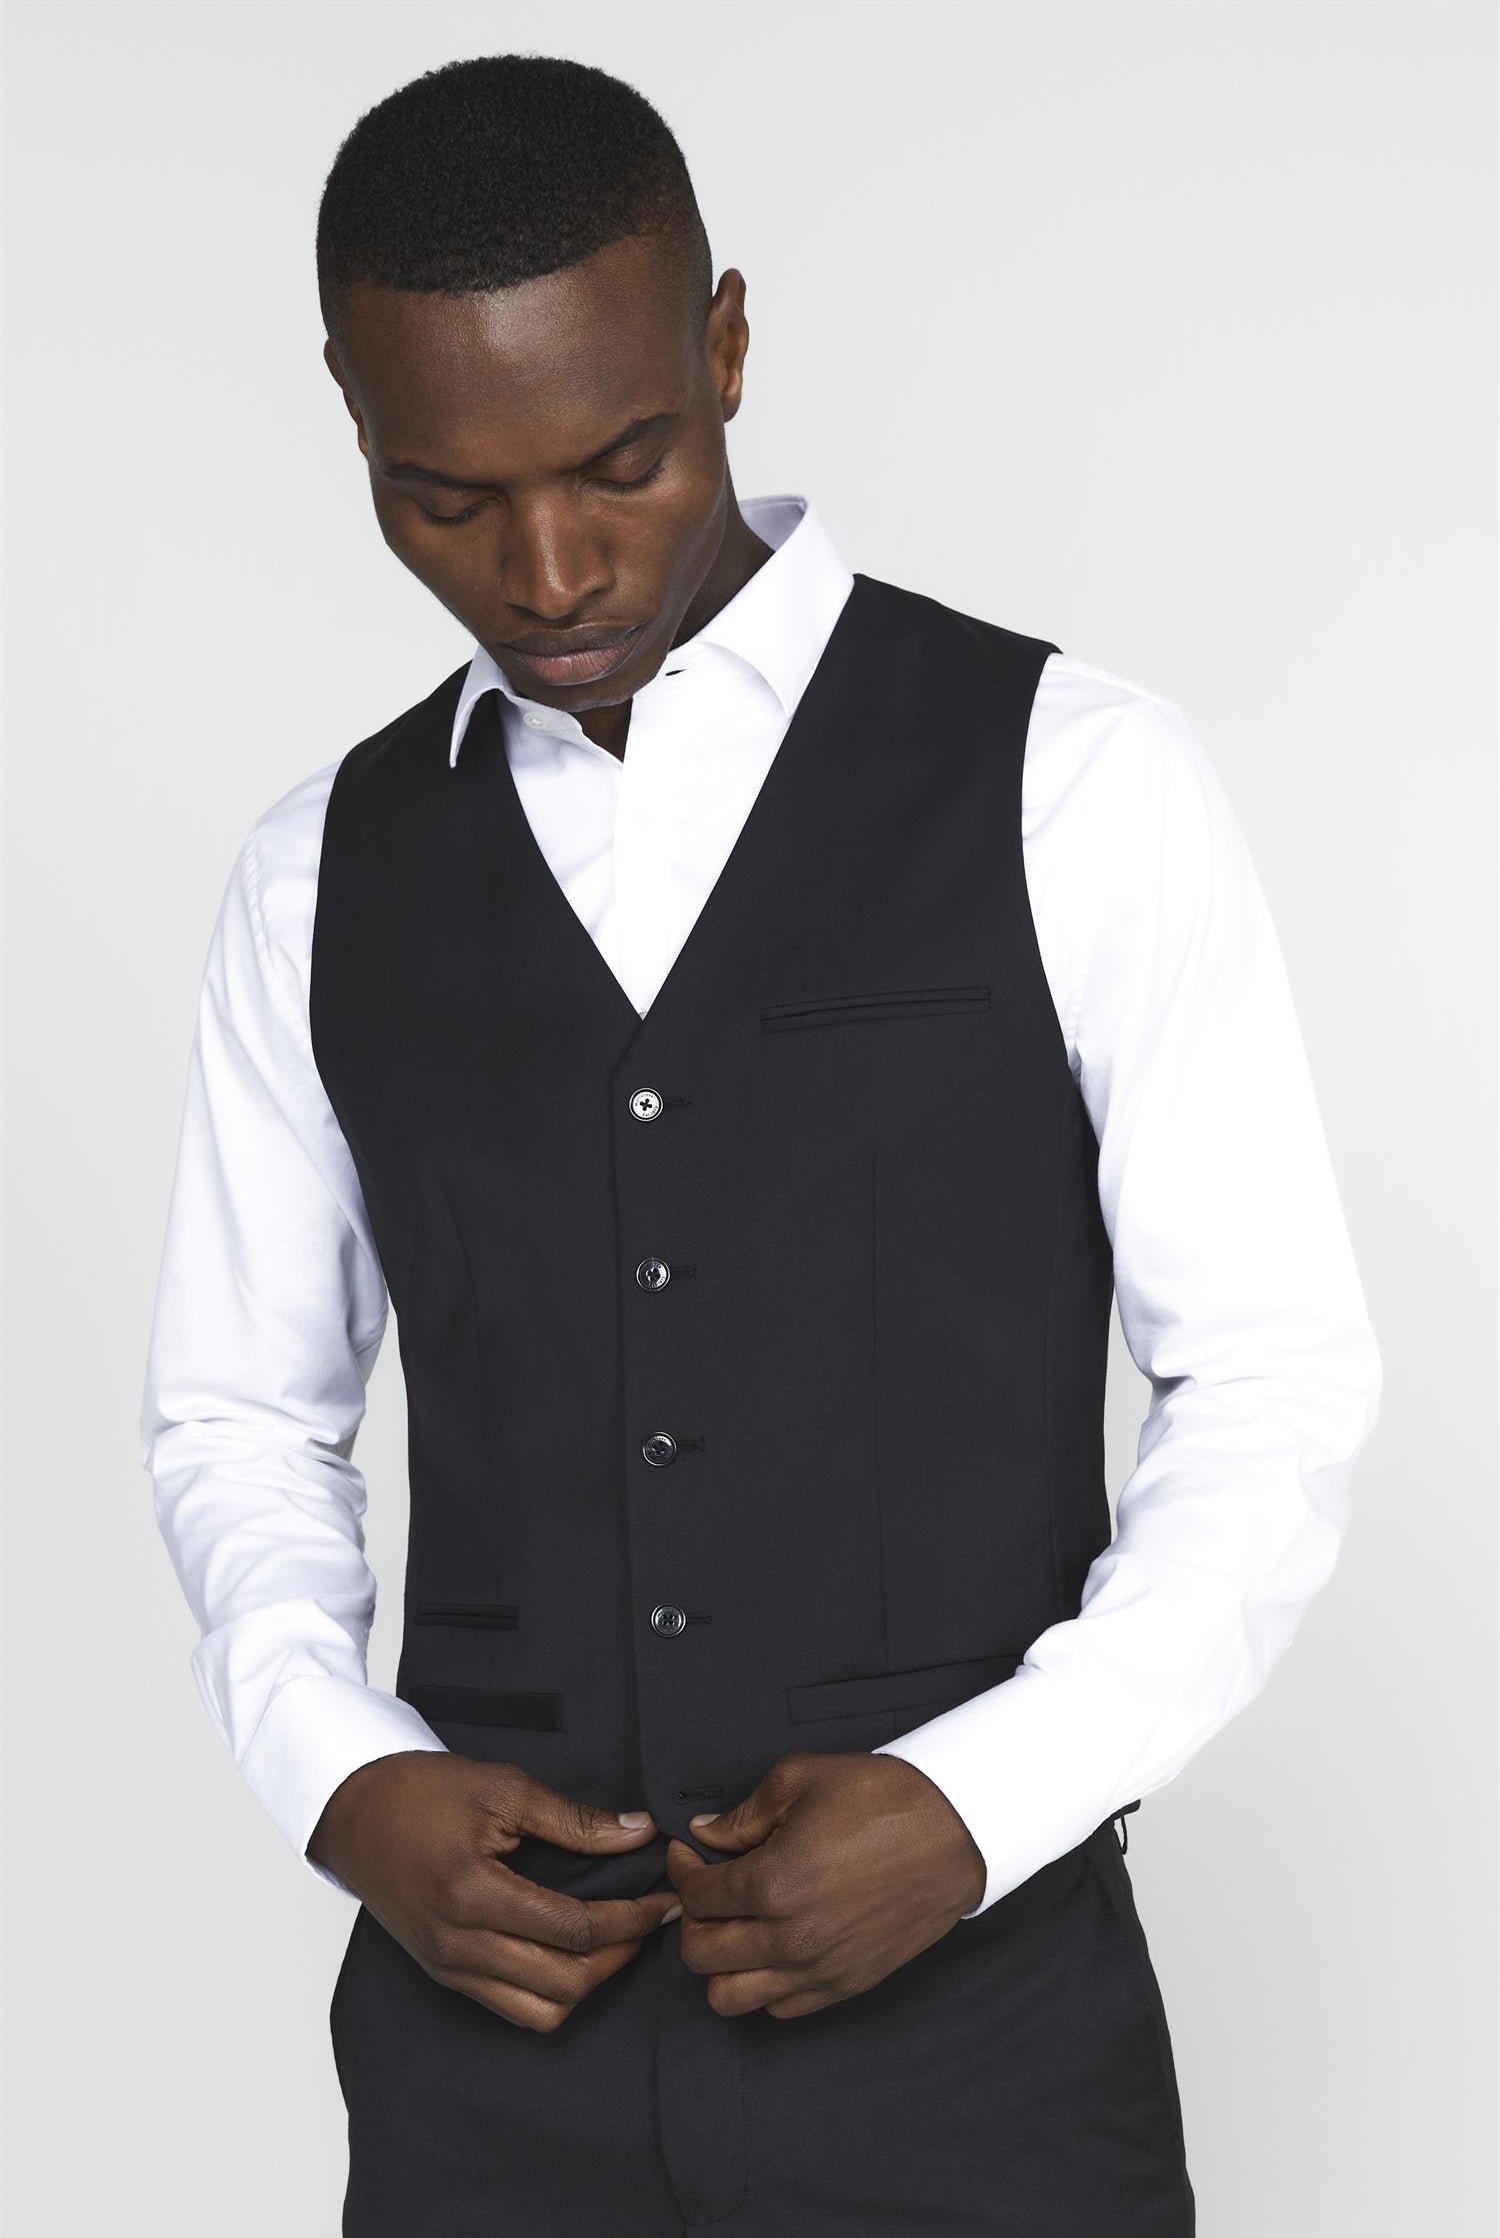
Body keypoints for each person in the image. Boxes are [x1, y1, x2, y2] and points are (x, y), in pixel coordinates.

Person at [138, 51, 1382, 2238]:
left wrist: (977, 1807)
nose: (548, 569)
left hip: (984, 2068)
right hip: (483, 2080)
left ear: (725, 343)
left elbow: (1273, 1385)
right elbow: (240, 1412)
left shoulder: (1075, 779)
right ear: (351, 418)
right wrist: (340, 1777)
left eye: (621, 461)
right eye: (446, 500)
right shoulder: (317, 875)